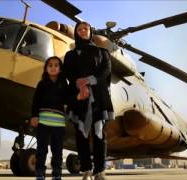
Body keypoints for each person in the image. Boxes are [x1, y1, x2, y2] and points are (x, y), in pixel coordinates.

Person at [63, 21, 114, 180]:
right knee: (81, 135)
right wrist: (80, 84)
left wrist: (88, 81)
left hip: (98, 98)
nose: (83, 30)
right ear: (76, 32)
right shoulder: (70, 55)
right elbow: (69, 74)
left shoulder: (102, 52)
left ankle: (100, 171)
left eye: (86, 28)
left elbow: (105, 72)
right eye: (79, 29)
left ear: (90, 31)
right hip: (78, 98)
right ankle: (86, 170)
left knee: (99, 134)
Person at [30, 56, 68, 180]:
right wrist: (34, 116)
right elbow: (35, 102)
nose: (53, 67)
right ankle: (40, 173)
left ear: (60, 69)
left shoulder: (64, 84)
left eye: (56, 65)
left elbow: (69, 100)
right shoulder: (42, 84)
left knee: (57, 151)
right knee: (41, 149)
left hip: (59, 123)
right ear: (46, 69)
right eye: (50, 65)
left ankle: (57, 174)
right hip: (43, 122)